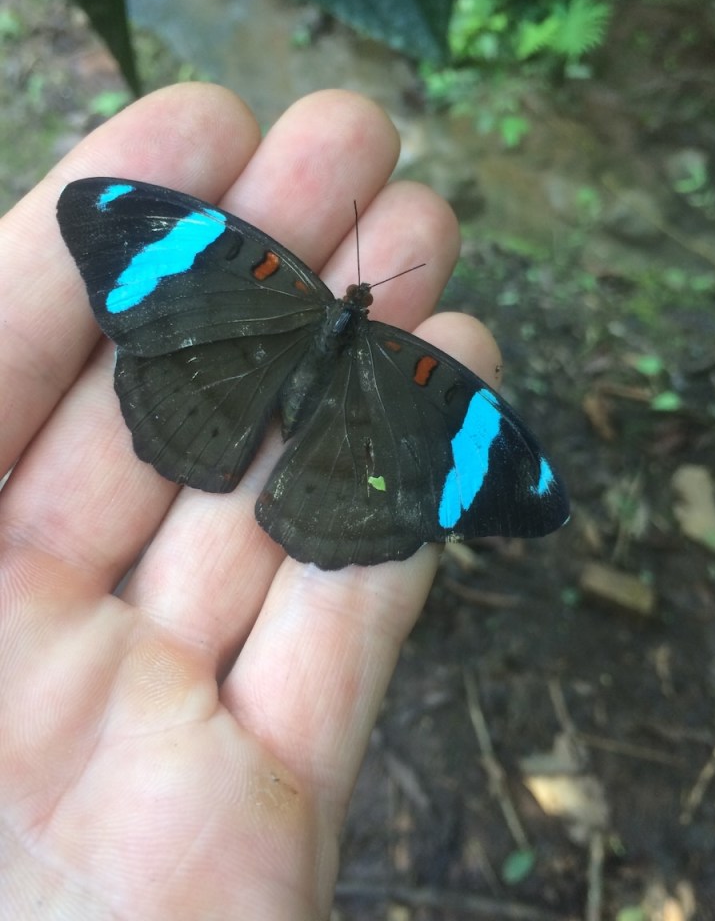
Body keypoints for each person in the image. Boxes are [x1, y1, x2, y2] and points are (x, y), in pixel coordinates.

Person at [0, 84, 505, 919]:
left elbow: (476, 474)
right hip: (331, 448)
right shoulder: (414, 372)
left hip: (215, 377)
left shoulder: (265, 273)